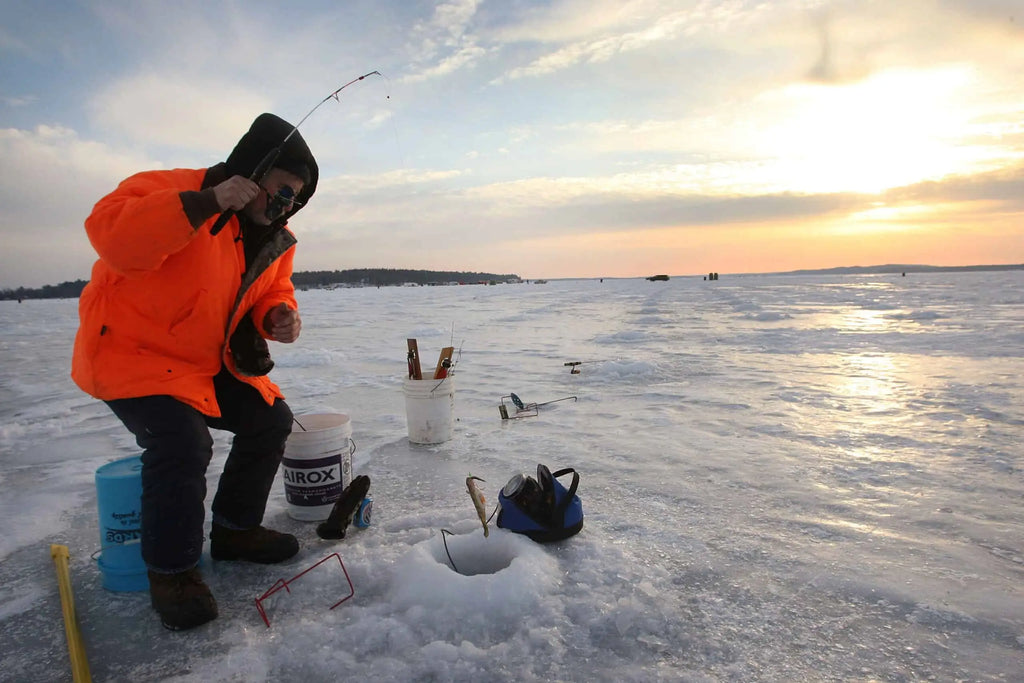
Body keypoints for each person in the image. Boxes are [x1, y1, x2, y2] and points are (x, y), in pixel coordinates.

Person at [71, 113, 319, 630]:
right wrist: (206, 203)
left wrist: (275, 315)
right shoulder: (169, 190)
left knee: (270, 418)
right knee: (183, 442)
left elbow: (273, 288)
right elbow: (114, 239)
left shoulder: (273, 236)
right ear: (253, 172)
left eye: (295, 197)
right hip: (131, 356)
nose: (285, 204)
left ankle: (234, 531)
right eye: (281, 189)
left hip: (202, 364)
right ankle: (172, 572)